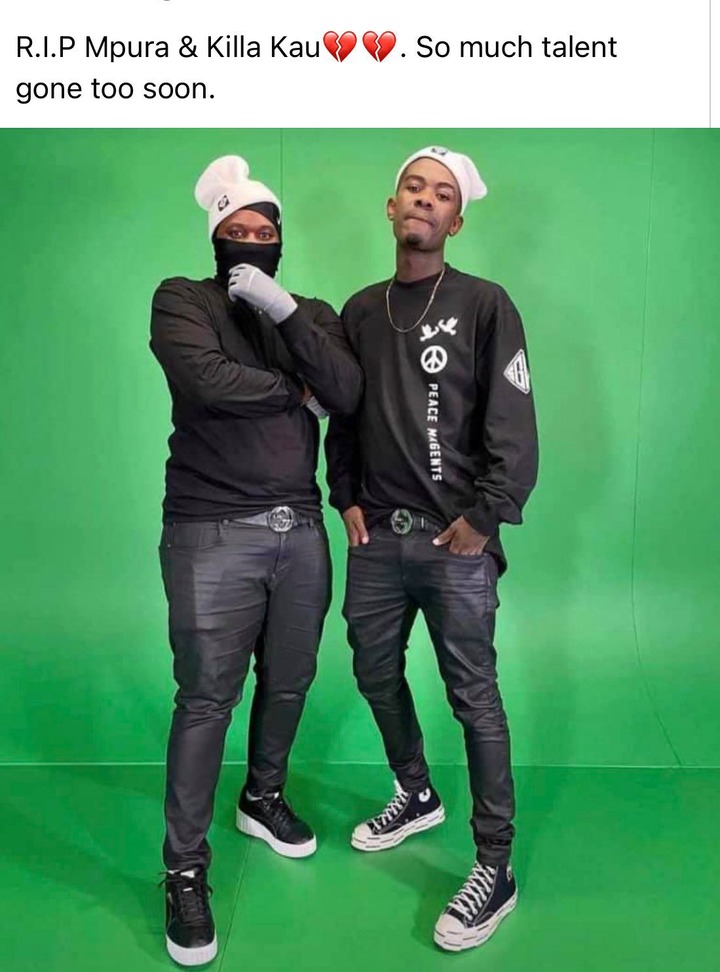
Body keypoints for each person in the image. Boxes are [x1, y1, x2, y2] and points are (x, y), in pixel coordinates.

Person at [150, 155, 363, 967]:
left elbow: (346, 390)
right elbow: (206, 381)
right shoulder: (183, 298)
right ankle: (184, 869)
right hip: (210, 528)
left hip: (300, 528)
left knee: (291, 679)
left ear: (280, 240)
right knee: (207, 697)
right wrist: (292, 391)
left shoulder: (311, 313)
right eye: (235, 231)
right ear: (215, 239)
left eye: (263, 230)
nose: (250, 241)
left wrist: (287, 315)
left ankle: (262, 795)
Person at [325, 145, 539, 952]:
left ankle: (495, 865)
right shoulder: (359, 310)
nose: (424, 199)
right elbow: (345, 414)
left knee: (474, 697)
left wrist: (487, 516)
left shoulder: (485, 304)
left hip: (456, 544)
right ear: (391, 207)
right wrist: (345, 493)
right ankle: (415, 792)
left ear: (457, 220)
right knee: (373, 671)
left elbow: (513, 421)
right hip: (379, 540)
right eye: (413, 187)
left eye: (442, 194)